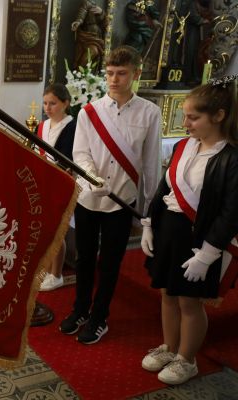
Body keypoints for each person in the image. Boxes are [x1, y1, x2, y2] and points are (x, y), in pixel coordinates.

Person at [140, 77, 238, 385]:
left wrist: (207, 255)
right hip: (169, 228)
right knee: (167, 293)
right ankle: (169, 348)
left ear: (219, 116)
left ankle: (187, 358)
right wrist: (148, 223)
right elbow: (165, 186)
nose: (186, 123)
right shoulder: (184, 145)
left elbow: (230, 212)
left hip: (198, 238)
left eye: (193, 117)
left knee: (189, 302)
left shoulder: (230, 158)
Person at [60, 46, 161, 344]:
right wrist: (92, 177)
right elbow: (80, 152)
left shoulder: (150, 113)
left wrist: (146, 214)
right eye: (110, 73)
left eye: (121, 73)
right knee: (85, 257)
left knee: (111, 262)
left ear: (136, 74)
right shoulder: (89, 112)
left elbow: (151, 164)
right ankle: (80, 309)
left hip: (122, 200)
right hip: (90, 197)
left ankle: (99, 316)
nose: (114, 80)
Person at [37, 83, 76, 291]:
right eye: (45, 103)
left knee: (57, 230)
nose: (47, 108)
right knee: (45, 229)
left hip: (61, 183)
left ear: (65, 103)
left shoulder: (72, 127)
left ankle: (57, 273)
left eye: (52, 103)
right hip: (44, 182)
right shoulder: (43, 126)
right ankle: (47, 269)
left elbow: (72, 158)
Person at [71, 0, 107, 70]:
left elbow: (104, 22)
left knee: (95, 56)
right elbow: (81, 14)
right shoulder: (86, 2)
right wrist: (77, 22)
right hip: (87, 35)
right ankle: (78, 72)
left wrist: (101, 12)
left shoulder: (96, 5)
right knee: (93, 51)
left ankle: (88, 74)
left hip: (97, 36)